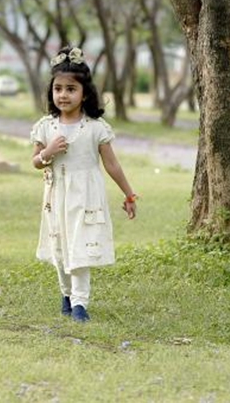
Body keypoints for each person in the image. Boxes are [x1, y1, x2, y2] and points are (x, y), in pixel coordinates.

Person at [29, 45, 137, 323]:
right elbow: (36, 162)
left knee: (80, 247)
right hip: (56, 196)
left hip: (86, 195)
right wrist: (48, 152)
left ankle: (80, 304)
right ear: (51, 92)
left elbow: (111, 164)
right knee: (59, 247)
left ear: (85, 93)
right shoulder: (45, 127)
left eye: (71, 89)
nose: (63, 95)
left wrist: (128, 194)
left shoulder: (95, 128)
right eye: (58, 89)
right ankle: (66, 295)